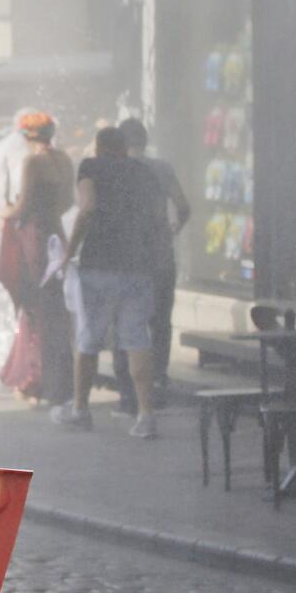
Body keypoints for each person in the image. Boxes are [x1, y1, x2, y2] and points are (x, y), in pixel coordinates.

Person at [51, 127, 161, 438]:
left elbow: (87, 207)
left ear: (99, 147)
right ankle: (146, 414)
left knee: (88, 338)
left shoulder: (91, 167)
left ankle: (80, 410)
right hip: (138, 265)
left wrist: (70, 250)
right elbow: (156, 214)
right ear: (125, 148)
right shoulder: (143, 171)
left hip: (99, 264)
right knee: (137, 338)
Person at [112, 118, 191, 415]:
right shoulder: (163, 168)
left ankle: (128, 396)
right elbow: (183, 207)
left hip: (129, 260)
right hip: (160, 256)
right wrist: (172, 230)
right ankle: (157, 381)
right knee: (160, 323)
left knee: (126, 325)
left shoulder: (116, 170)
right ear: (145, 140)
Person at [0, 111, 75, 406]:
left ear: (28, 136)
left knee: (33, 305)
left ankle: (34, 380)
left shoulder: (33, 162)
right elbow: (68, 201)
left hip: (33, 237)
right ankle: (60, 383)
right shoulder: (64, 160)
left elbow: (23, 204)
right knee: (55, 308)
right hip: (55, 232)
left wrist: (4, 211)